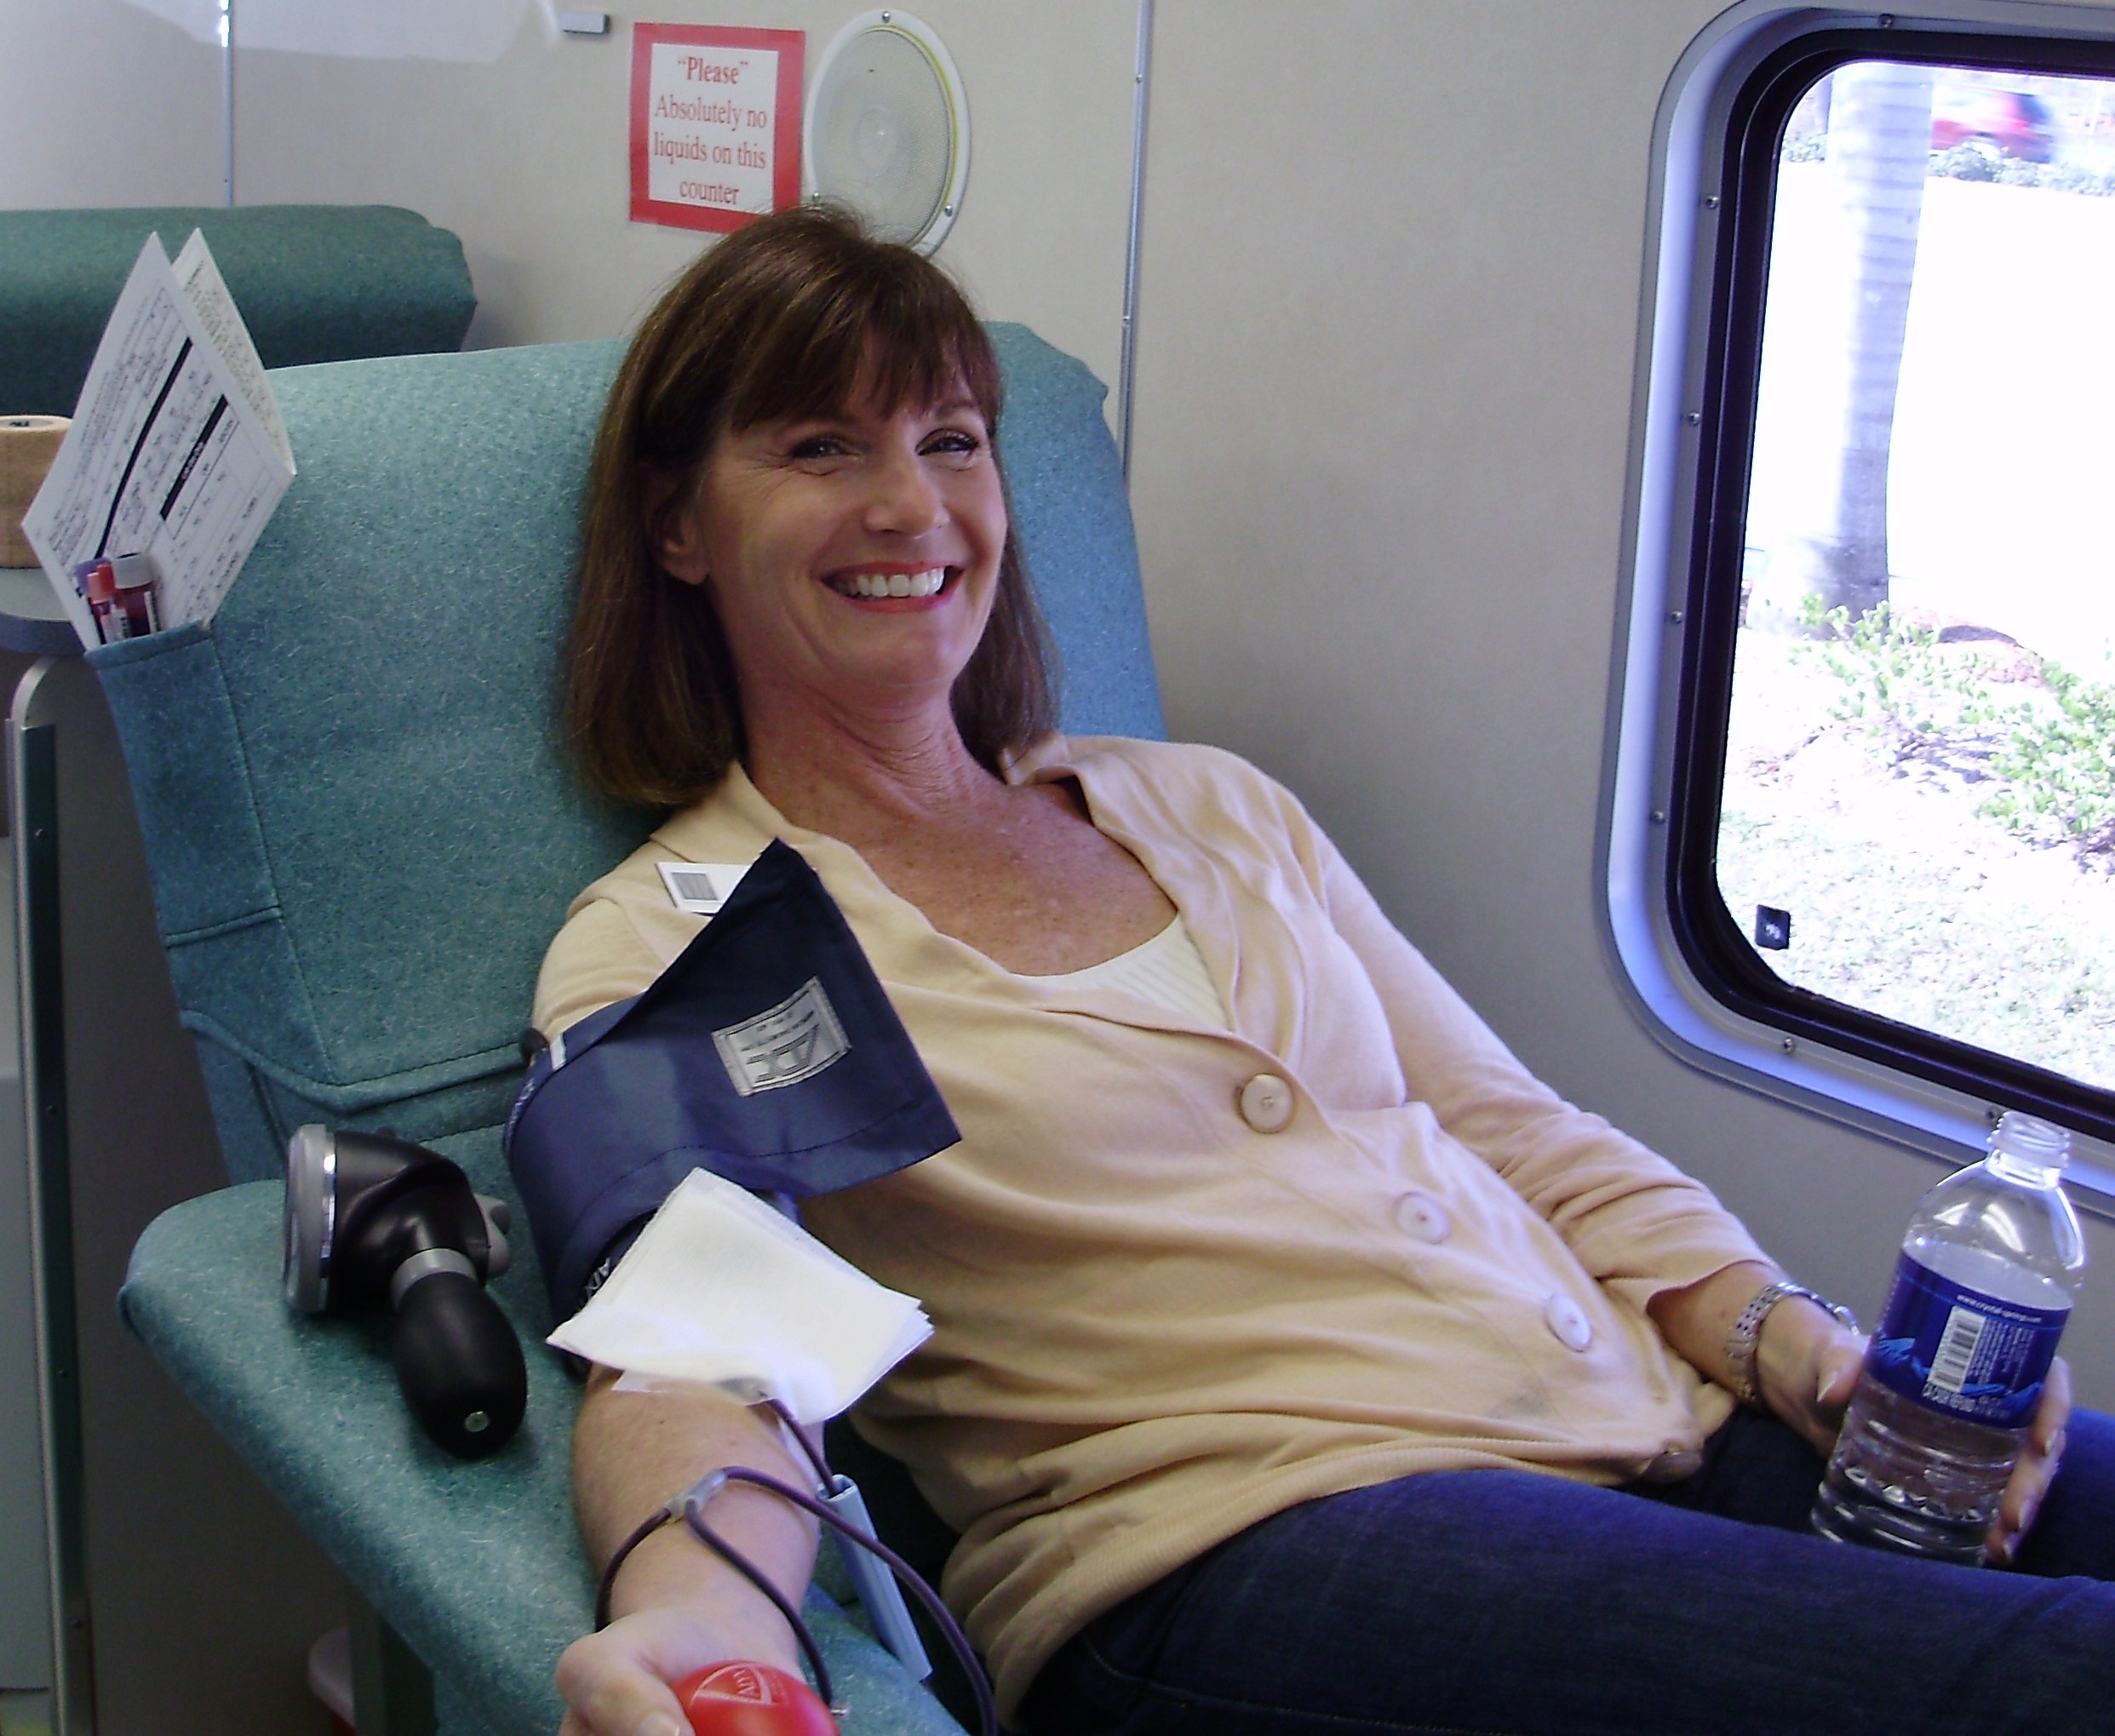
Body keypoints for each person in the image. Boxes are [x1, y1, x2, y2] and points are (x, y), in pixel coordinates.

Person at [536, 204, 2113, 1736]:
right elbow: (696, 1341)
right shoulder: (689, 929)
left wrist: (1791, 1339)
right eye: (824, 449)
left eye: (951, 441)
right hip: (1245, 1550)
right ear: (679, 523)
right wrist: (704, 1629)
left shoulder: (1205, 801)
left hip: (1644, 1422)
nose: (913, 506)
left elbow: (1508, 1127)